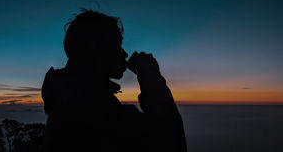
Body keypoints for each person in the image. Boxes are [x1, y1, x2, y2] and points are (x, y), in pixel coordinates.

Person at [41, 9, 187, 151]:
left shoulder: (65, 98)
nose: (124, 54)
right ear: (96, 49)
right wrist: (152, 79)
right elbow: (171, 143)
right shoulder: (102, 113)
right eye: (117, 45)